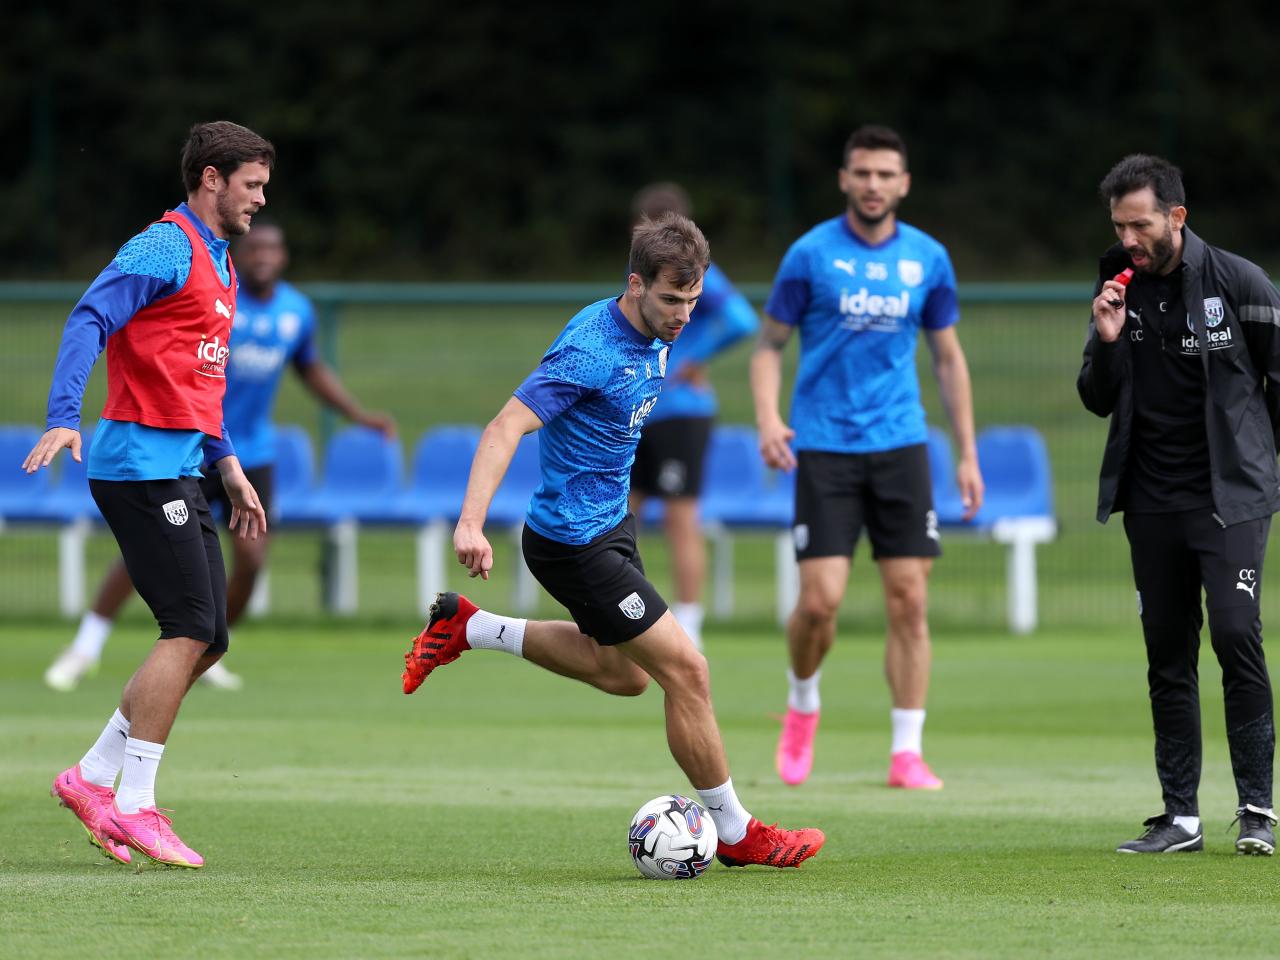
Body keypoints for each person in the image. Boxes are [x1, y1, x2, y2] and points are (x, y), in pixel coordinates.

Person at [402, 212, 825, 869]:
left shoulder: (659, 329)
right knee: (688, 671)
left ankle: (470, 627)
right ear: (634, 285)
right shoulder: (589, 350)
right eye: (671, 301)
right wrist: (469, 523)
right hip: (573, 543)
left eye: (692, 300)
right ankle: (739, 834)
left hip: (609, 530)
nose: (684, 316)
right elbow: (504, 426)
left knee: (625, 678)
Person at [25, 121, 274, 869]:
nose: (262, 199)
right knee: (190, 625)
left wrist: (226, 462)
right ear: (211, 179)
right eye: (252, 185)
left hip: (183, 465)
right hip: (136, 464)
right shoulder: (165, 246)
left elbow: (199, 379)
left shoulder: (222, 262)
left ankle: (93, 776)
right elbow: (89, 317)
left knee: (210, 636)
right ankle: (136, 804)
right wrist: (65, 417)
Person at [43, 219, 397, 693]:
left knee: (251, 558)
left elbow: (309, 368)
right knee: (150, 551)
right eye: (256, 249)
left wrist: (357, 414)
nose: (263, 257)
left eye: (274, 248)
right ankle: (86, 646)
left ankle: (206, 644)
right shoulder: (212, 291)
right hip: (187, 440)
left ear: (284, 257)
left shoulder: (296, 311)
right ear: (241, 255)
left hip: (249, 454)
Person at [750, 125, 983, 790]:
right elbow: (768, 346)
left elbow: (947, 357)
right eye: (862, 173)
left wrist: (967, 452)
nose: (873, 184)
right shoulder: (810, 255)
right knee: (819, 603)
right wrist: (769, 418)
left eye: (886, 174)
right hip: (822, 446)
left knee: (909, 600)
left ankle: (906, 752)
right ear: (844, 179)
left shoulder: (928, 260)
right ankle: (801, 704)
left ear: (904, 183)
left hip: (901, 444)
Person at [1078, 154, 1280, 856]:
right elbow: (1097, 396)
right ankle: (1180, 818)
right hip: (1151, 499)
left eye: (1141, 225)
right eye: (1120, 226)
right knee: (1167, 651)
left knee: (1234, 633)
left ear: (1177, 217)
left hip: (1230, 497)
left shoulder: (1240, 282)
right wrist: (1105, 341)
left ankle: (1257, 809)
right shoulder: (1117, 283)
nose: (1129, 239)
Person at [627, 183, 759, 650]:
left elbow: (743, 319)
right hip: (638, 414)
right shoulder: (642, 279)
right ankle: (622, 615)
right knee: (622, 517)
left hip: (681, 417)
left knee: (681, 519)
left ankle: (689, 628)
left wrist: (689, 360)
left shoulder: (691, 271)